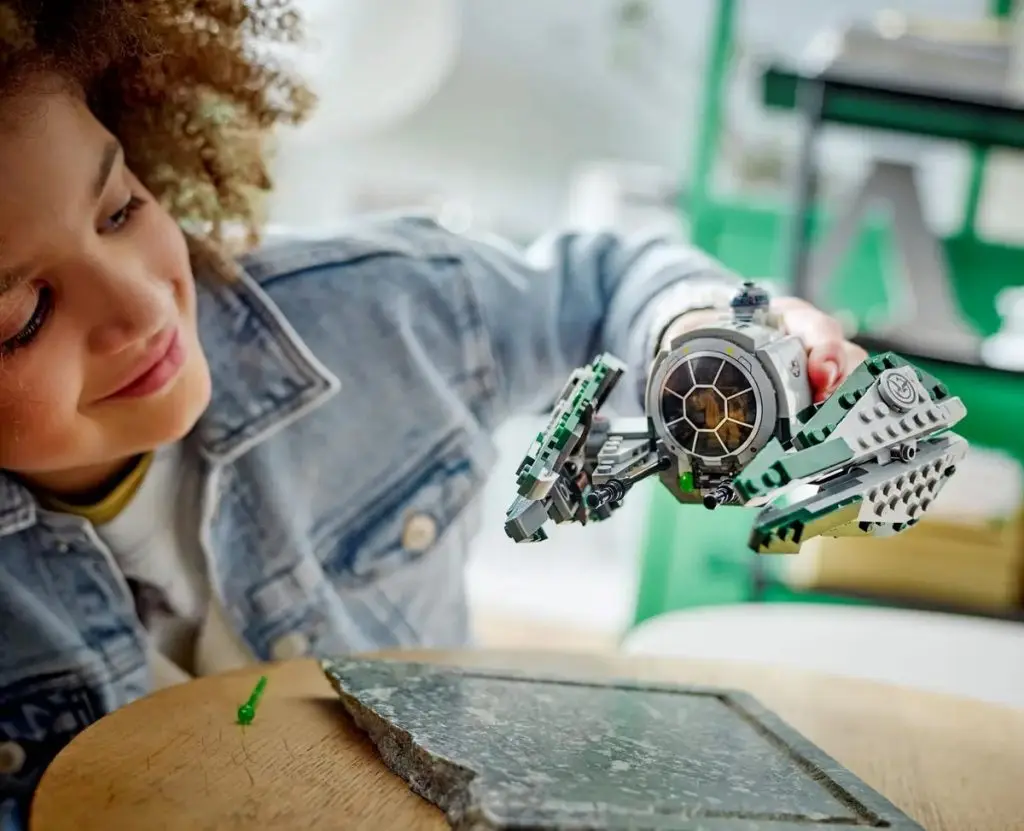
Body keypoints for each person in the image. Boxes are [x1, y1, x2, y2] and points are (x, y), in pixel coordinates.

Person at [0, 2, 867, 826]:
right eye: (22, 318)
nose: (141, 307)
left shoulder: (381, 312)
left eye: (121, 209)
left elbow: (604, 288)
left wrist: (705, 327)